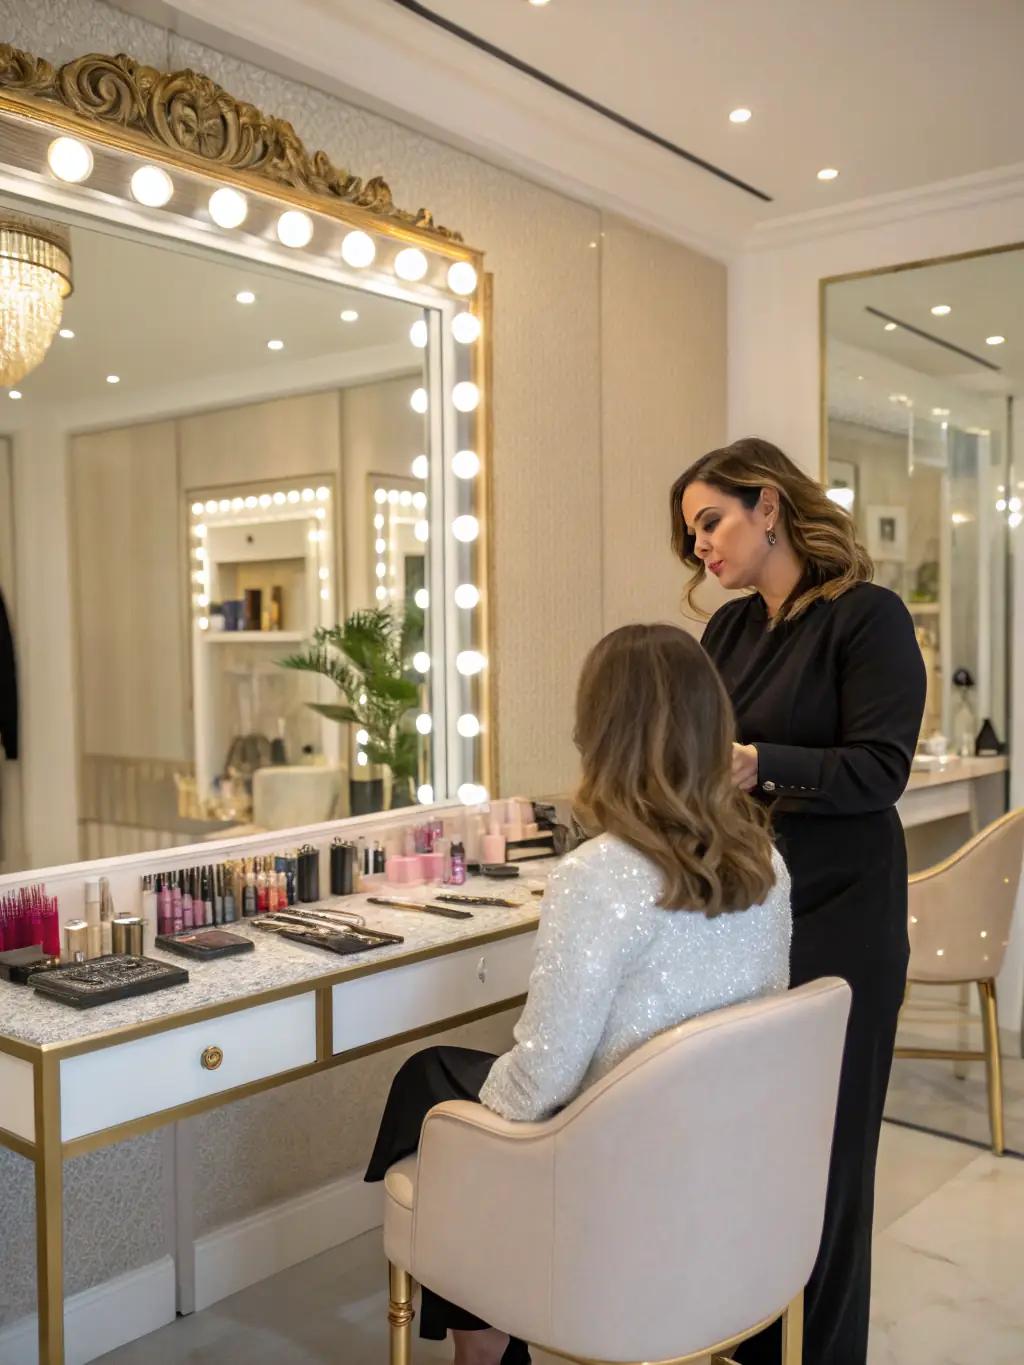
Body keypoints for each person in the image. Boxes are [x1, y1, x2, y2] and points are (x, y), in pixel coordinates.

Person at [366, 623, 792, 1365]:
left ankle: (485, 1339)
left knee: (434, 1091)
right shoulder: (767, 865)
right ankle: (491, 1323)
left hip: (617, 1167)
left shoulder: (600, 877)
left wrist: (472, 1140)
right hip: (720, 1159)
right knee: (441, 1088)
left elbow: (544, 1077)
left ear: (601, 734)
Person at [671, 437, 926, 1365]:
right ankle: (746, 1338)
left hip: (844, 916)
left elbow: (880, 768)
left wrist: (759, 762)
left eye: (711, 520)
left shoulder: (869, 618)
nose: (701, 545)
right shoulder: (728, 634)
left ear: (767, 504)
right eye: (691, 533)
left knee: (830, 1158)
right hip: (744, 914)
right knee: (753, 1149)